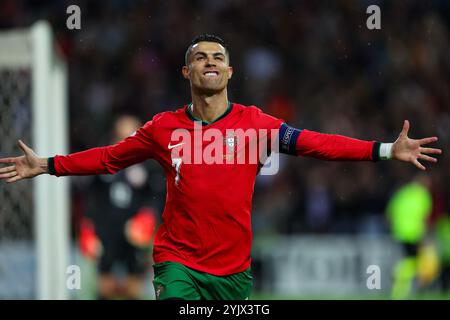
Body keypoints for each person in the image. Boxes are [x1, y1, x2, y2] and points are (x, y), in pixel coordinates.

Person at [0, 34, 442, 300]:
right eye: (200, 57)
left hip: (233, 272)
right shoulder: (162, 129)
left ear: (229, 72)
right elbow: (109, 157)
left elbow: (316, 144)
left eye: (217, 58)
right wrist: (49, 164)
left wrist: (384, 150)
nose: (209, 62)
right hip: (178, 263)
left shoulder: (256, 125)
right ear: (185, 71)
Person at [78, 115, 158, 300]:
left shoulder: (148, 165)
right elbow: (91, 196)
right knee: (105, 286)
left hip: (134, 233)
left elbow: (155, 196)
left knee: (133, 287)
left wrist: (148, 217)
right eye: (122, 136)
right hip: (106, 231)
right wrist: (87, 226)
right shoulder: (102, 161)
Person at [386, 174, 435, 299]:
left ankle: (401, 288)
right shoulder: (423, 195)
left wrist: (394, 228)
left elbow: (389, 213)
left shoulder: (402, 193)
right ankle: (400, 274)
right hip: (414, 232)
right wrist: (426, 234)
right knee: (415, 260)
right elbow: (425, 217)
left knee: (410, 258)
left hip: (400, 232)